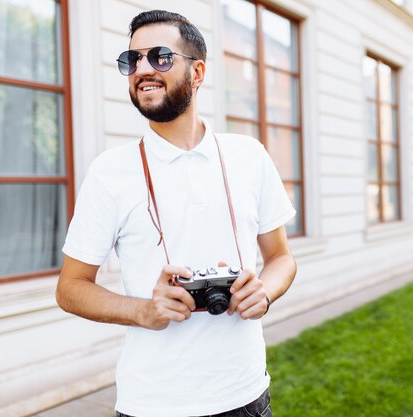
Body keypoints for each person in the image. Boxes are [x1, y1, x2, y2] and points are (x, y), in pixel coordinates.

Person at [56, 10, 297, 417]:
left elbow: (281, 258)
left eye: (161, 56)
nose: (143, 69)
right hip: (153, 403)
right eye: (132, 60)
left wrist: (265, 292)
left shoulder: (249, 156)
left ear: (198, 71)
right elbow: (70, 287)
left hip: (246, 394)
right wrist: (143, 311)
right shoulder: (109, 171)